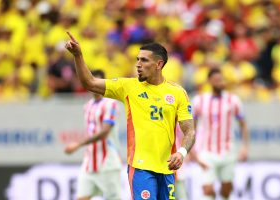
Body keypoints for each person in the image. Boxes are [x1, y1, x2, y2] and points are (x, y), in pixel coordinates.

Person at [65, 32, 196, 200]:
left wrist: (181, 153)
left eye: (144, 60)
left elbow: (190, 131)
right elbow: (89, 82)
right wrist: (78, 55)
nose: (138, 64)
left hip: (167, 168)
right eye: (137, 60)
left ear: (159, 64)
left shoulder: (177, 93)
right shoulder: (128, 87)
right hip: (140, 167)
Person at [191, 68, 249, 200]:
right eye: (216, 80)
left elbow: (243, 124)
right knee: (207, 189)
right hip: (206, 150)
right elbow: (191, 127)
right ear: (209, 81)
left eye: (221, 80)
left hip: (228, 150)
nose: (219, 83)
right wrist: (191, 150)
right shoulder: (199, 100)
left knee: (226, 189)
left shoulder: (233, 100)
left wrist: (245, 147)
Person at [64, 69, 122, 200]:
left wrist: (78, 144)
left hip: (108, 163)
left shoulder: (110, 103)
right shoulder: (87, 106)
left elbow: (104, 132)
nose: (94, 86)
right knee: (81, 197)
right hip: (89, 162)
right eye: (92, 82)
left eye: (97, 82)